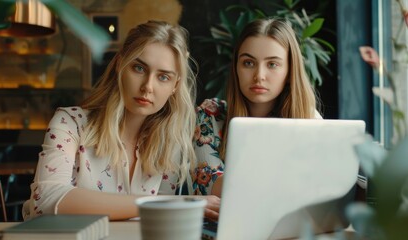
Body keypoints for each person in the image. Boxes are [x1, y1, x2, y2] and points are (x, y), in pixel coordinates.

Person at [23, 20, 219, 221]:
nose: (148, 86)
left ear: (175, 86)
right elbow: (44, 201)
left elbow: (154, 222)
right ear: (120, 65)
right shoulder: (69, 123)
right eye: (139, 68)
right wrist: (169, 204)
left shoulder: (169, 144)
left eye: (163, 77)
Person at [192, 18, 322, 197]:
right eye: (248, 63)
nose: (259, 76)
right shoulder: (210, 116)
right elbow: (210, 187)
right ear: (236, 67)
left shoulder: (308, 120)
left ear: (290, 72)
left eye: (272, 64)